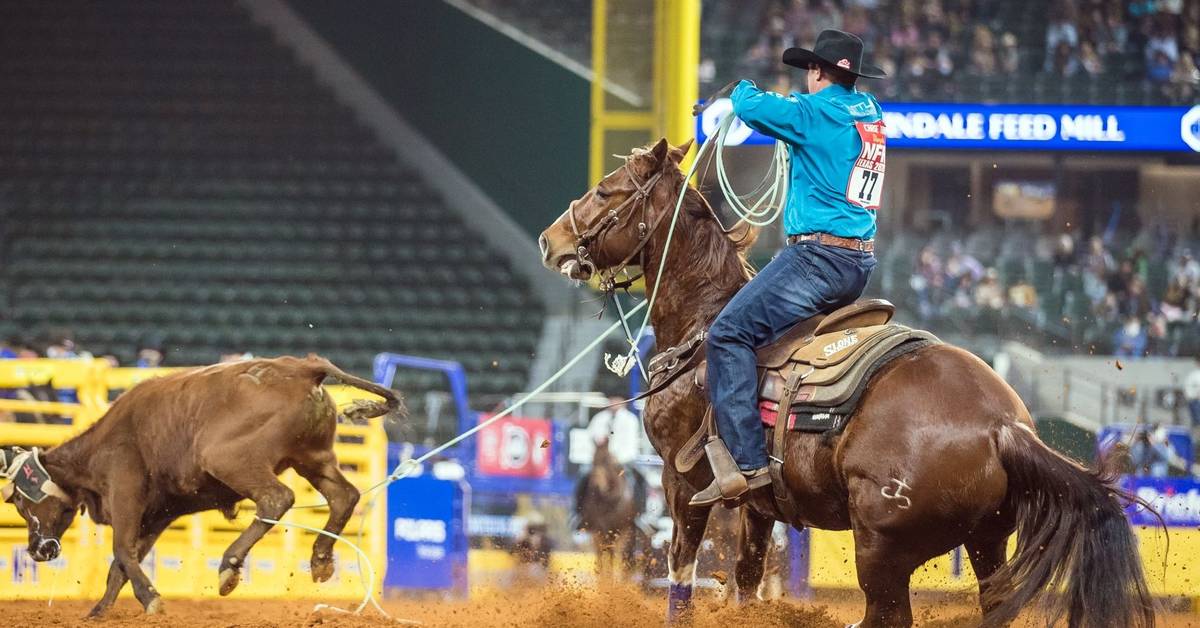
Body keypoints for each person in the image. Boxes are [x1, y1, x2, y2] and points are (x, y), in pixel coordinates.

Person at [692, 29, 883, 506]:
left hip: (817, 260)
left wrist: (735, 90)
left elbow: (755, 107)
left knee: (728, 334)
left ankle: (747, 462)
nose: (806, 78)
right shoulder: (869, 112)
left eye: (809, 71)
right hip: (857, 260)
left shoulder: (816, 112)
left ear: (820, 71)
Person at [574, 397, 647, 520]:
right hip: (600, 461)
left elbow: (630, 443)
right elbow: (588, 438)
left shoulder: (630, 420)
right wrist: (597, 448)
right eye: (611, 399)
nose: (613, 403)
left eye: (616, 399)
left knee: (640, 478)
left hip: (623, 461)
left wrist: (616, 458)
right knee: (583, 475)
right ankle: (578, 513)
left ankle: (641, 515)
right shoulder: (599, 419)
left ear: (623, 401)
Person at [1185, 355, 1200, 429]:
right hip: (1195, 402)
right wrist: (1194, 396)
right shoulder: (1193, 375)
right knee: (1197, 423)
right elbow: (1188, 389)